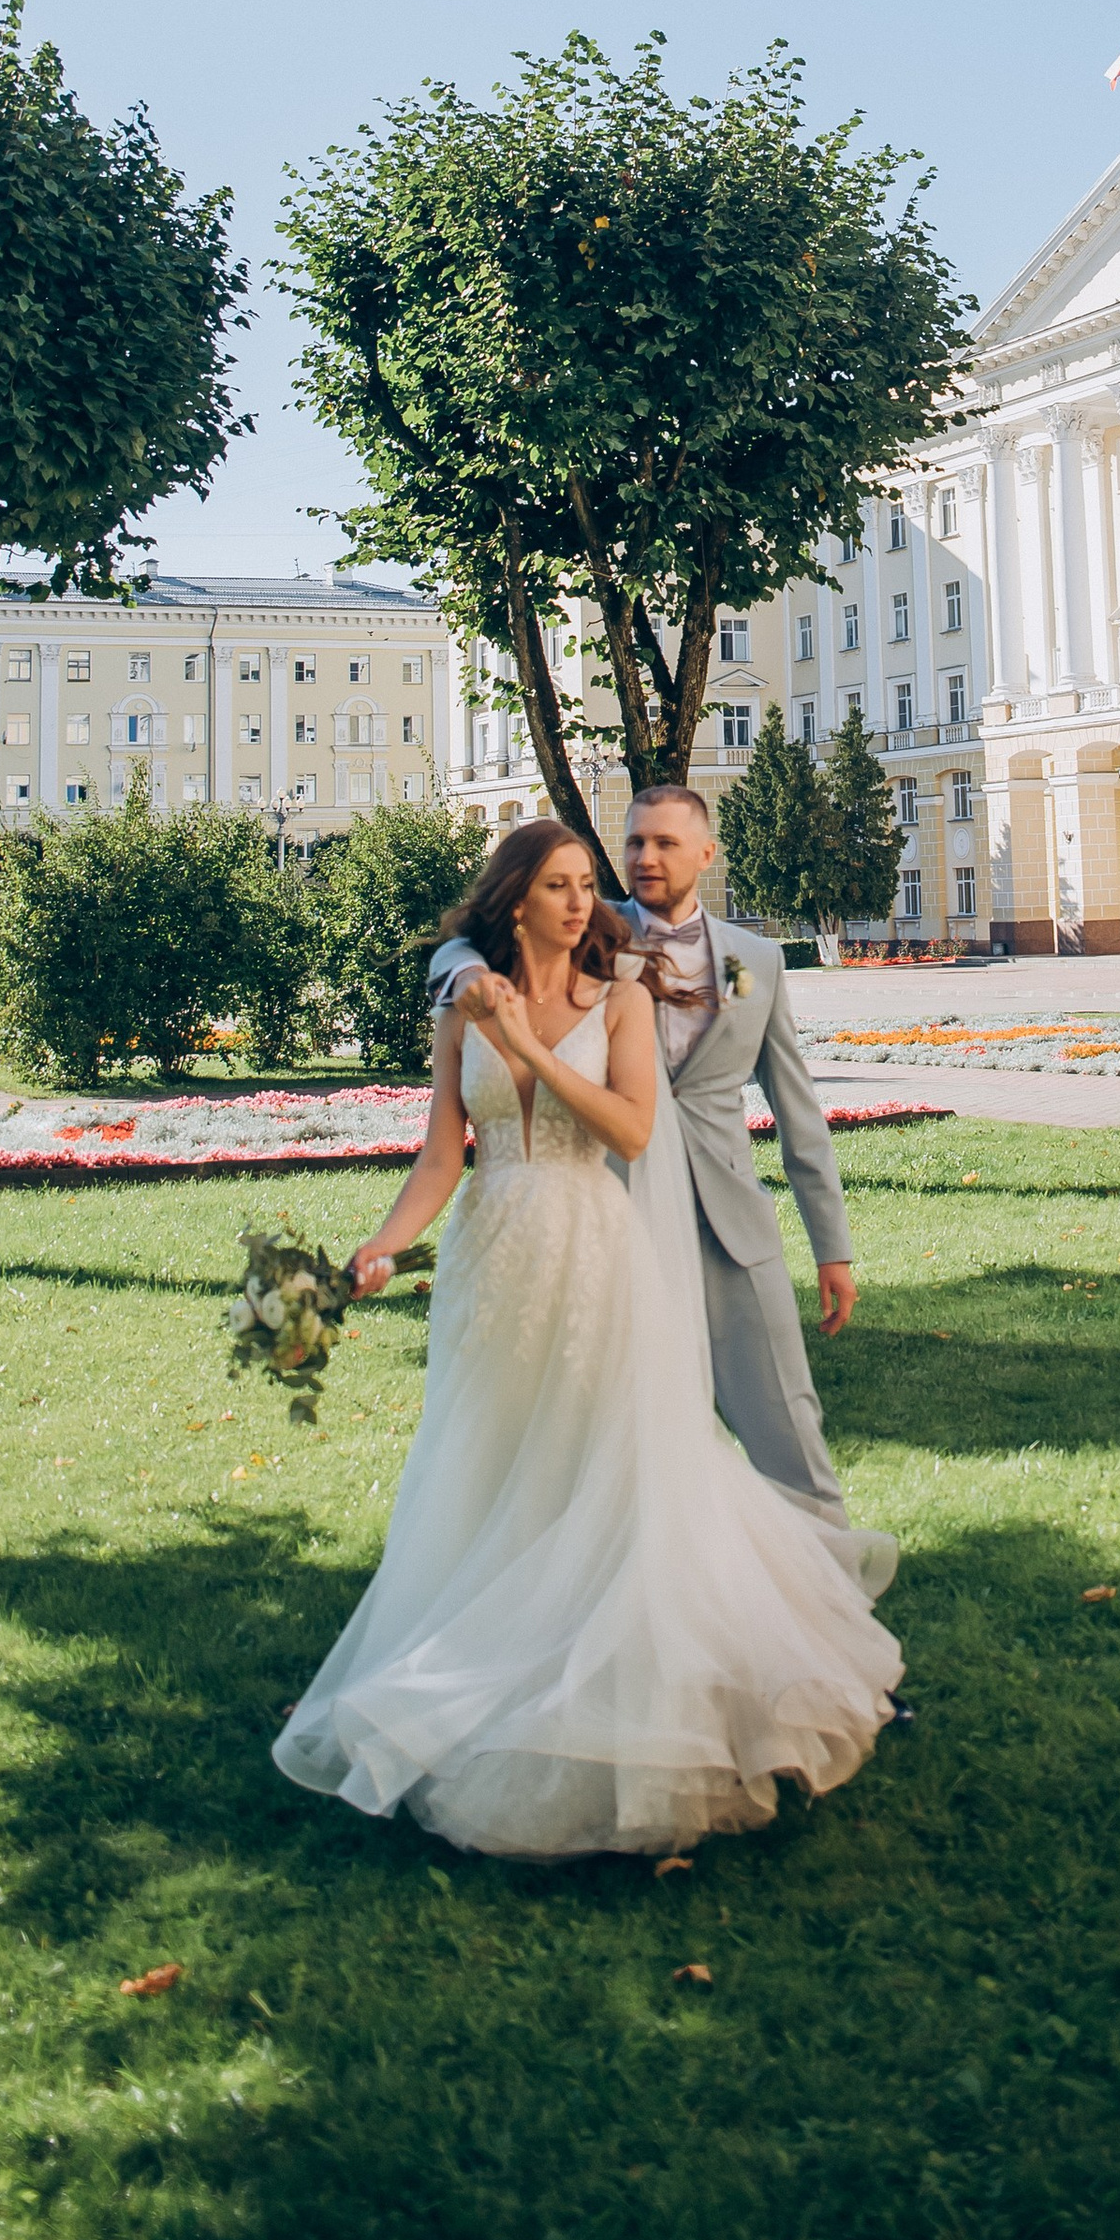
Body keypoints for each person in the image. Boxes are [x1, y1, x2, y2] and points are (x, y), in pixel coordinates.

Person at [272, 818, 900, 1859]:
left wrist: (525, 1048)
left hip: (590, 1247)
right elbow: (441, 1156)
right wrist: (372, 1251)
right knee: (491, 1462)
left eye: (584, 885)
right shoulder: (462, 1004)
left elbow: (631, 1129)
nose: (583, 901)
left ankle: (620, 1671)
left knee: (598, 1462)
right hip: (490, 1255)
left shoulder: (622, 999)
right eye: (559, 886)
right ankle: (492, 1654)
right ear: (514, 900)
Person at [427, 781, 890, 1584]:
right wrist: (463, 968)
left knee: (790, 1434)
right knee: (611, 1444)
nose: (644, 856)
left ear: (706, 855)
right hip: (611, 1233)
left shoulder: (758, 961)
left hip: (731, 1237)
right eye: (636, 841)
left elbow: (799, 1114)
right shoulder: (590, 930)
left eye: (665, 843)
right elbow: (462, 941)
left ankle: (832, 1614)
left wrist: (833, 1250)